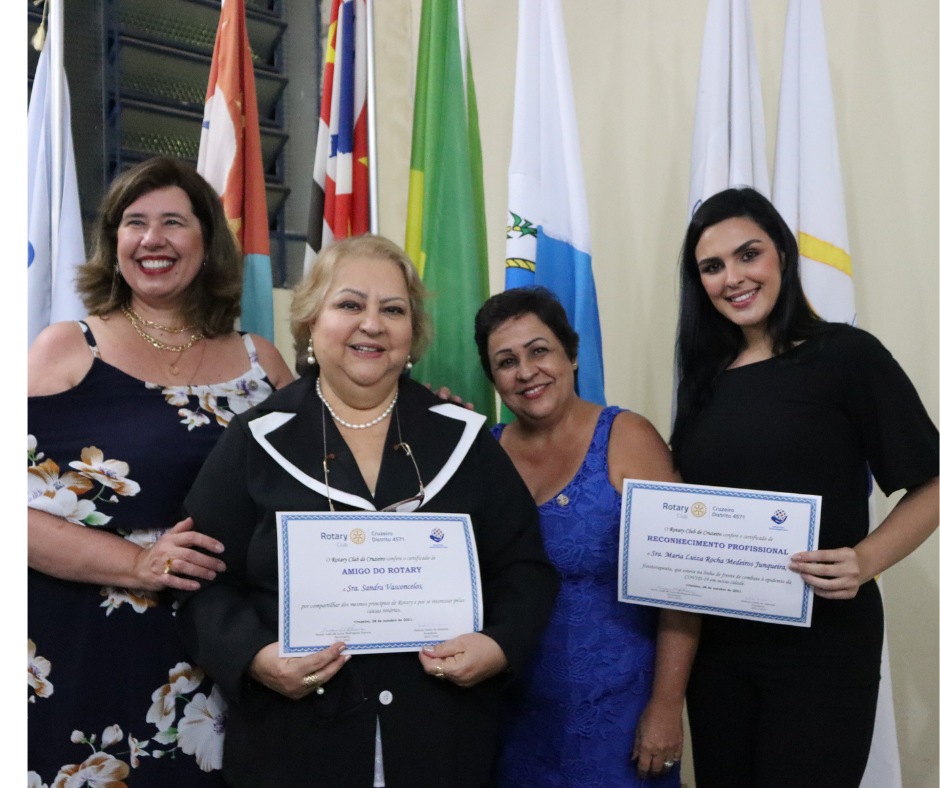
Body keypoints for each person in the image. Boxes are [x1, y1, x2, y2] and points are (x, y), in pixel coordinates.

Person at [174, 235, 559, 788]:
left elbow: (525, 568)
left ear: (412, 333)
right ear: (311, 320)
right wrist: (255, 657)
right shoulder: (255, 440)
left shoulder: (465, 440)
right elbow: (201, 580)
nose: (372, 324)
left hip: (441, 744)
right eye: (350, 304)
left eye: (393, 309)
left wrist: (498, 645)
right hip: (293, 749)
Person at [27, 157, 293, 787]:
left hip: (224, 662)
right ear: (114, 242)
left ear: (206, 243)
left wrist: (421, 421)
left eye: (173, 222)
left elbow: (321, 483)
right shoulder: (66, 348)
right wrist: (140, 564)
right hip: (82, 657)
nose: (152, 239)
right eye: (134, 222)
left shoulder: (263, 362)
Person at [670, 187, 939, 788]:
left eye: (748, 255)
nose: (732, 278)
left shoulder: (847, 355)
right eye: (712, 267)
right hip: (720, 651)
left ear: (782, 257)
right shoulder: (704, 382)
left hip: (824, 647)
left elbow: (933, 482)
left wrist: (866, 559)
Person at [473, 286, 701, 788]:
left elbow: (682, 585)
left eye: (539, 350)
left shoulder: (628, 437)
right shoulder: (482, 454)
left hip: (619, 720)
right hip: (512, 721)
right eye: (506, 361)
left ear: (571, 355)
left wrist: (667, 706)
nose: (526, 371)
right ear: (494, 379)